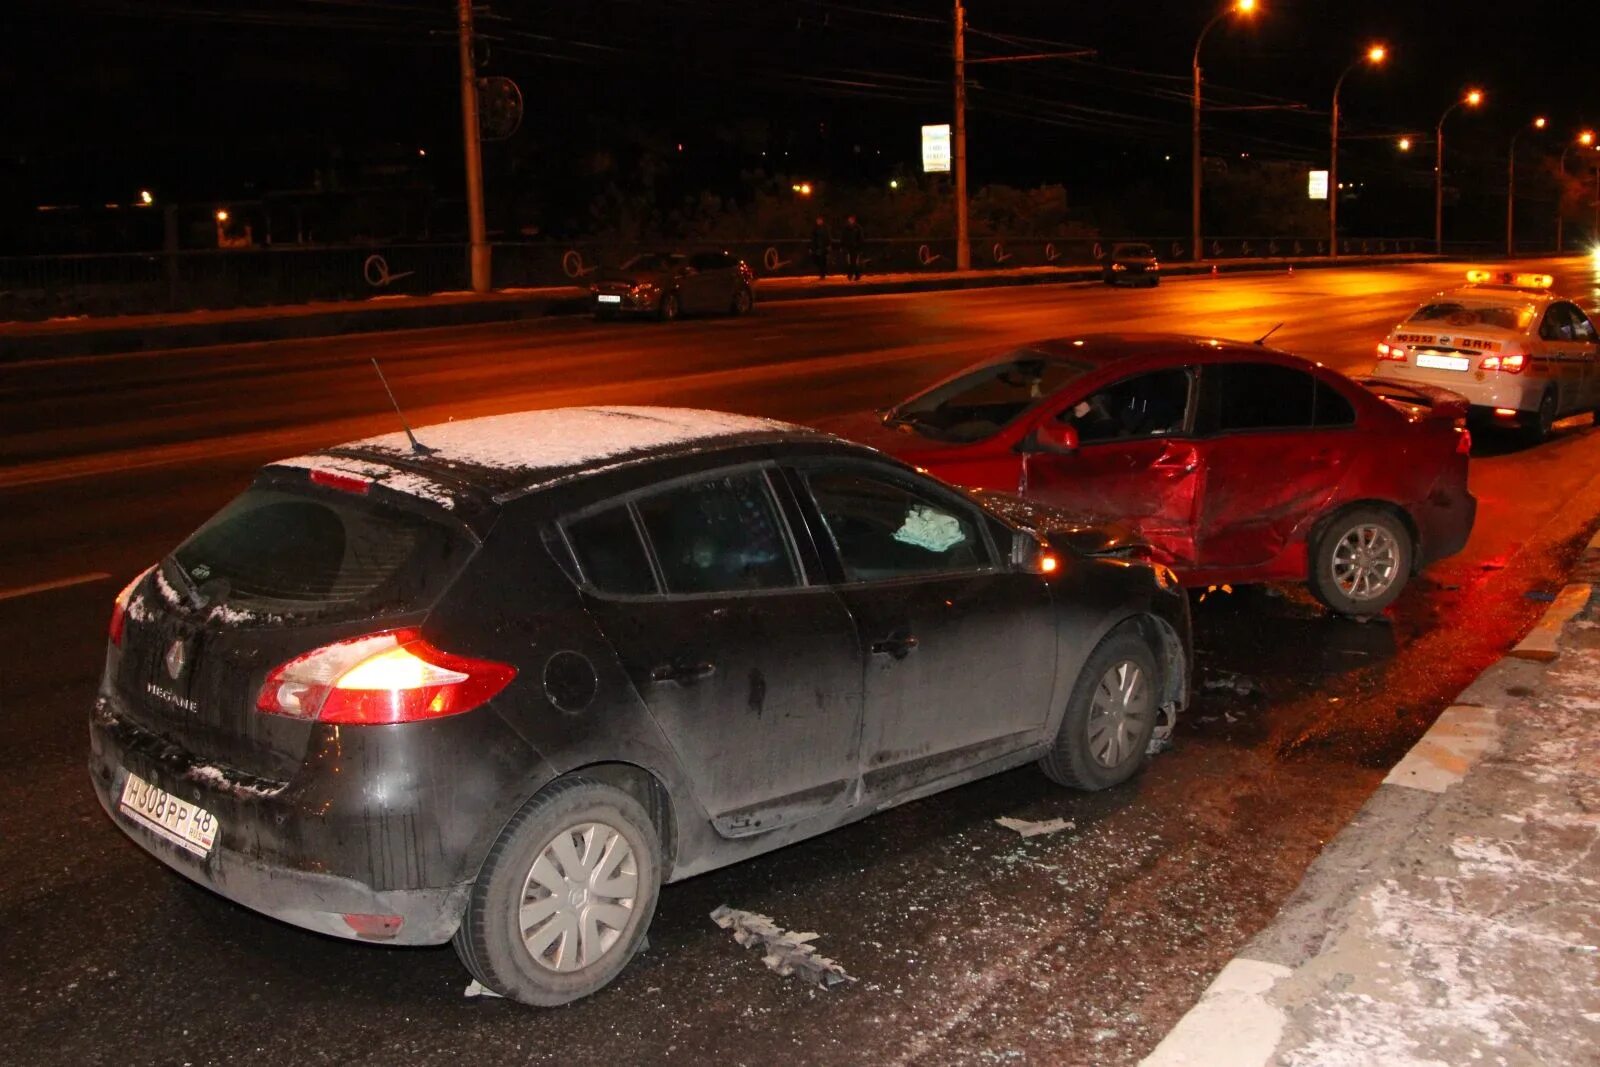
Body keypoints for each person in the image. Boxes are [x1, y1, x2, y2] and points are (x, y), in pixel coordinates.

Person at [841, 214, 865, 281]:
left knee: (853, 262)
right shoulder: (846, 228)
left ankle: (852, 275)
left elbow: (861, 238)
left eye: (852, 219)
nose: (851, 221)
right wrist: (843, 246)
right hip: (848, 247)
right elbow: (843, 238)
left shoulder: (858, 228)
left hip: (855, 248)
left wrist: (858, 246)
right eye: (850, 219)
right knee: (850, 262)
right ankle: (854, 274)